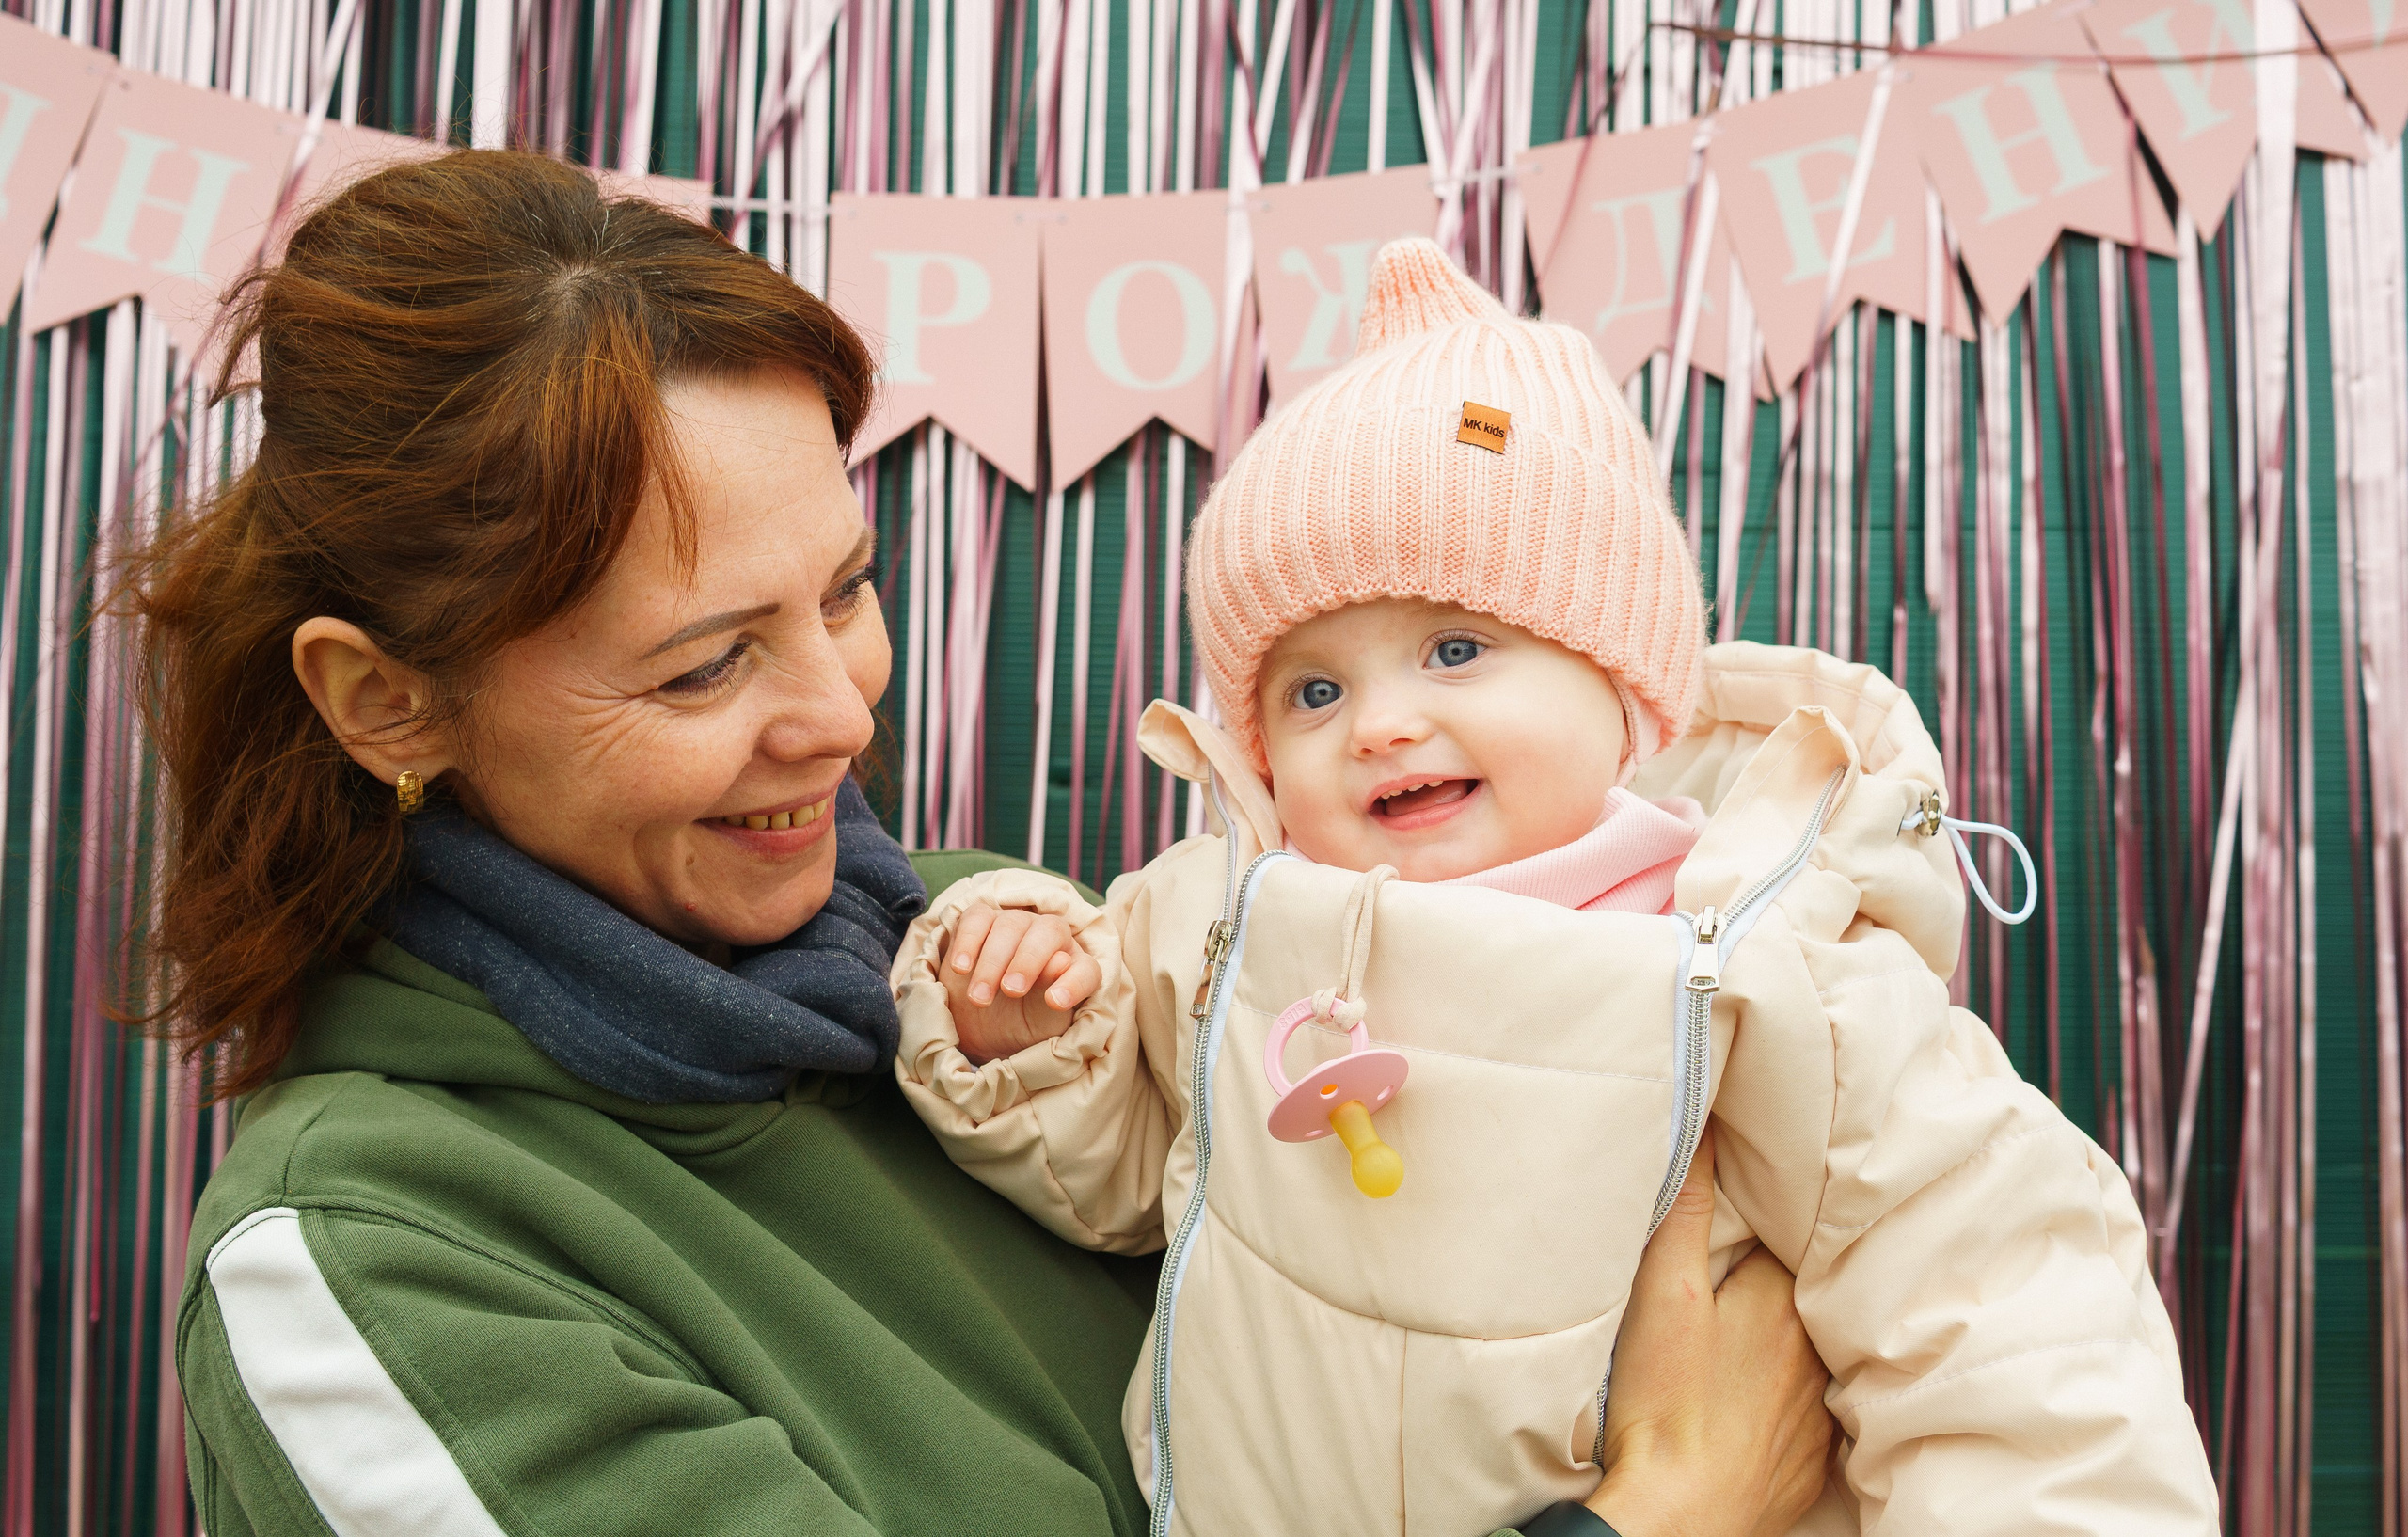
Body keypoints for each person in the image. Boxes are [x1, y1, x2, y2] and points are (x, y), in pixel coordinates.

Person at [131, 150, 1830, 1537]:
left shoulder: (999, 984)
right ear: (386, 703)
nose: (841, 713)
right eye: (706, 660)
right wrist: (1664, 1518)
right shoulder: (377, 1274)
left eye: (848, 592)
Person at [895, 240, 2220, 1534]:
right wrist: (1036, 1040)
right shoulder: (1221, 920)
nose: (1379, 724)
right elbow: (1135, 1179)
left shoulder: (1769, 968)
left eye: (1456, 647)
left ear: (1625, 689)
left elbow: (2002, 1337)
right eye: (1314, 689)